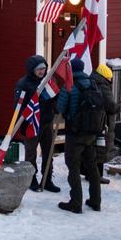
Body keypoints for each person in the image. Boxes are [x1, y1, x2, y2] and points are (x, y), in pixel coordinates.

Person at [55, 58, 103, 214]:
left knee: (73, 168)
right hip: (91, 132)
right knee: (92, 166)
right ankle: (96, 201)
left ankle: (76, 203)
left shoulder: (69, 85)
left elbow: (60, 107)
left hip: (75, 133)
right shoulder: (93, 84)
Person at [14, 55, 61, 193]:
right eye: (39, 69)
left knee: (48, 152)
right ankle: (31, 179)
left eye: (44, 68)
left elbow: (55, 98)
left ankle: (47, 179)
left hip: (47, 122)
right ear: (31, 70)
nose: (42, 71)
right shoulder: (23, 83)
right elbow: (18, 105)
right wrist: (25, 118)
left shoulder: (49, 81)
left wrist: (59, 107)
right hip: (31, 123)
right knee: (31, 153)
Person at [83, 64, 121, 184]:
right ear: (106, 77)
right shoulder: (104, 87)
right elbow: (111, 107)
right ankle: (97, 176)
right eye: (110, 78)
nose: (111, 80)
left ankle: (88, 173)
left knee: (91, 148)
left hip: (92, 121)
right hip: (103, 123)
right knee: (101, 150)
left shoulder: (91, 82)